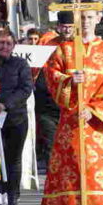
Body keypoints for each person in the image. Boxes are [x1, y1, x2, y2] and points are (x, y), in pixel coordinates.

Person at [38, 5, 103, 205]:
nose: (85, 22)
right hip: (70, 122)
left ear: (97, 19)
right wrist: (67, 80)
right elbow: (51, 77)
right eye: (81, 18)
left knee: (97, 172)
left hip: (95, 124)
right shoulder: (63, 50)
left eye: (89, 17)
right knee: (72, 172)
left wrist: (94, 110)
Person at [0, 28, 34, 205]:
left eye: (8, 43)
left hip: (15, 119)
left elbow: (25, 89)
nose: (4, 46)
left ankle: (13, 197)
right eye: (1, 43)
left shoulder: (20, 64)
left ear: (14, 45)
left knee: (13, 160)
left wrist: (6, 104)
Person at [33, 12, 72, 168]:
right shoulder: (48, 45)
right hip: (48, 104)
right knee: (52, 145)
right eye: (64, 27)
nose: (67, 30)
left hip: (71, 104)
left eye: (70, 27)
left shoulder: (80, 45)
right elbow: (37, 71)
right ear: (58, 27)